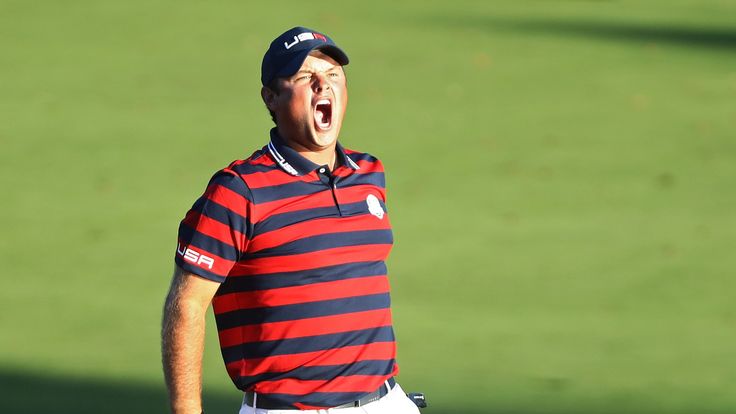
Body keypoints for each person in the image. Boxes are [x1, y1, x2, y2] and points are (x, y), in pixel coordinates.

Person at [162, 26, 420, 414]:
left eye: (333, 75)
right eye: (305, 77)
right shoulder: (239, 191)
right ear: (271, 97)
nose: (324, 85)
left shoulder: (368, 174)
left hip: (385, 401)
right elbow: (186, 306)